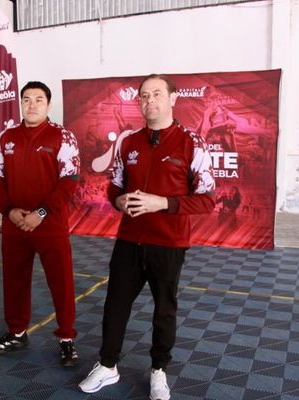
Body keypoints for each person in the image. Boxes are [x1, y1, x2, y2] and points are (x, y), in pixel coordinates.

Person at [79, 74, 216, 400]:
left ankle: (158, 371)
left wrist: (163, 203)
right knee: (115, 304)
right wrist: (118, 201)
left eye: (156, 94)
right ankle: (108, 365)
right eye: (143, 95)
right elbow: (115, 186)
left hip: (168, 243)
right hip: (129, 240)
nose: (149, 100)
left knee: (164, 310)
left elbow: (207, 199)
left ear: (173, 99)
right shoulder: (129, 142)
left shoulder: (192, 143)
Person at [0, 81, 81, 367]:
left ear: (48, 104)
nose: (32, 105)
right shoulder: (5, 137)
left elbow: (69, 181)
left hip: (50, 226)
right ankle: (17, 331)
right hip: (14, 225)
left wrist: (40, 212)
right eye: (26, 99)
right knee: (14, 280)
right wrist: (9, 211)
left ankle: (66, 338)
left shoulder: (63, 137)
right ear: (21, 103)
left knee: (61, 282)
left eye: (38, 99)